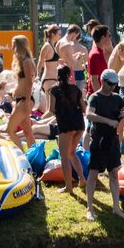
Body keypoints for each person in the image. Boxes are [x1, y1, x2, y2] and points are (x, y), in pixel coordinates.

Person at [85, 69, 124, 221]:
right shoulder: (95, 97)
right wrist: (108, 120)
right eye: (110, 84)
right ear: (103, 82)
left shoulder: (117, 98)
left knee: (113, 174)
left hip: (112, 140)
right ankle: (90, 209)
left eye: (115, 84)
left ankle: (116, 208)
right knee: (93, 174)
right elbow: (89, 114)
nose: (113, 87)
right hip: (98, 140)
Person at [49, 65, 87, 194]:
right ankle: (82, 179)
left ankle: (69, 187)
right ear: (69, 76)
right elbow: (83, 108)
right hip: (79, 124)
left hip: (66, 124)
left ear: (57, 76)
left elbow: (51, 109)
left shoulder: (54, 90)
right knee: (72, 152)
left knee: (64, 156)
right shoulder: (76, 89)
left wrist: (61, 111)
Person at [6, 35, 36, 149]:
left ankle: (22, 155)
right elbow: (23, 82)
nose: (12, 47)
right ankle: (33, 157)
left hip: (25, 100)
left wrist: (27, 102)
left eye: (14, 45)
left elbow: (29, 82)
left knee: (9, 130)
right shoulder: (23, 61)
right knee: (28, 132)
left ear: (19, 46)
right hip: (22, 99)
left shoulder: (27, 61)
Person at [37, 23, 62, 116]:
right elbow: (40, 62)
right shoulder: (47, 46)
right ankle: (38, 124)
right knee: (51, 109)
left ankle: (43, 125)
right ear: (52, 34)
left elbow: (52, 61)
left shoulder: (52, 46)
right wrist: (37, 76)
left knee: (51, 108)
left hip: (53, 79)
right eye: (59, 34)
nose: (60, 36)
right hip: (48, 79)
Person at [57, 25, 88, 89]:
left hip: (59, 73)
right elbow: (71, 65)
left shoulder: (59, 42)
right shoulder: (68, 45)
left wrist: (74, 56)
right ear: (75, 33)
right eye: (77, 35)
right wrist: (78, 57)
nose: (76, 38)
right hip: (69, 76)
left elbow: (62, 59)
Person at [87, 25, 112, 95]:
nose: (111, 38)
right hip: (96, 96)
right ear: (103, 38)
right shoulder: (96, 54)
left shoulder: (100, 52)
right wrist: (101, 98)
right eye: (109, 36)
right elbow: (94, 80)